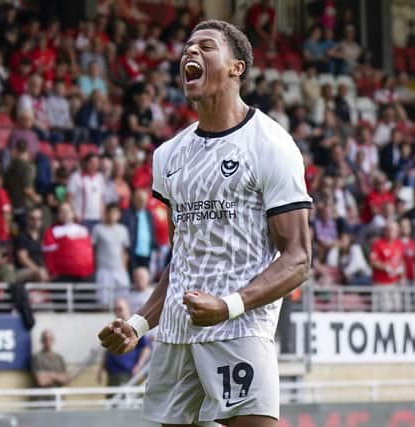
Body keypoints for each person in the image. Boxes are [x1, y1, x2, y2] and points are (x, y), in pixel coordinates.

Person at [98, 20, 312, 426]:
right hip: (176, 335)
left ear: (237, 67)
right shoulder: (168, 156)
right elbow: (182, 261)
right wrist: (139, 323)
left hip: (239, 329)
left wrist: (228, 306)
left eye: (206, 47)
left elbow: (298, 257)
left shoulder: (271, 144)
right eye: (187, 48)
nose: (190, 54)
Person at [98, 297, 151, 387]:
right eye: (115, 309)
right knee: (112, 400)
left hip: (128, 373)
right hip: (112, 374)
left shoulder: (134, 327)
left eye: (120, 309)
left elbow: (146, 347)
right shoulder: (113, 327)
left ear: (128, 309)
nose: (118, 312)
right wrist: (101, 369)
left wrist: (139, 365)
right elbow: (107, 349)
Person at [92, 203, 131, 307]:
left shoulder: (123, 230)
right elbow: (93, 249)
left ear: (119, 215)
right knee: (103, 301)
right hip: (104, 269)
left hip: (119, 269)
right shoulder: (97, 229)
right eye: (110, 212)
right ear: (106, 213)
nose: (112, 215)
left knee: (123, 299)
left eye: (115, 213)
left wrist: (124, 268)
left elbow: (125, 250)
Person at [121, 189, 156, 271]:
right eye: (140, 199)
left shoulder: (149, 215)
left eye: (144, 200)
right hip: (132, 253)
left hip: (147, 252)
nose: (142, 202)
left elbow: (152, 232)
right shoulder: (127, 215)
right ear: (134, 199)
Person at [14, 208, 48, 282]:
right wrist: (37, 269)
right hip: (24, 270)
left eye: (39, 219)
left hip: (42, 269)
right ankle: (41, 292)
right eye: (32, 218)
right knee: (40, 273)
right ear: (27, 219)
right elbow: (23, 259)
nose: (36, 221)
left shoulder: (45, 236)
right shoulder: (22, 237)